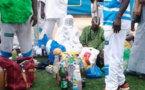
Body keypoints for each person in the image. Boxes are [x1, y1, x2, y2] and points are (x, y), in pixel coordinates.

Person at [103, 0, 131, 89]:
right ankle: (121, 82)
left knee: (112, 56)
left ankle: (112, 86)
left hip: (116, 22)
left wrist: (118, 17)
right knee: (115, 55)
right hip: (109, 21)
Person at [127, 1, 145, 79]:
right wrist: (132, 22)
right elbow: (137, 3)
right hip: (142, 23)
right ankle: (132, 69)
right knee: (137, 46)